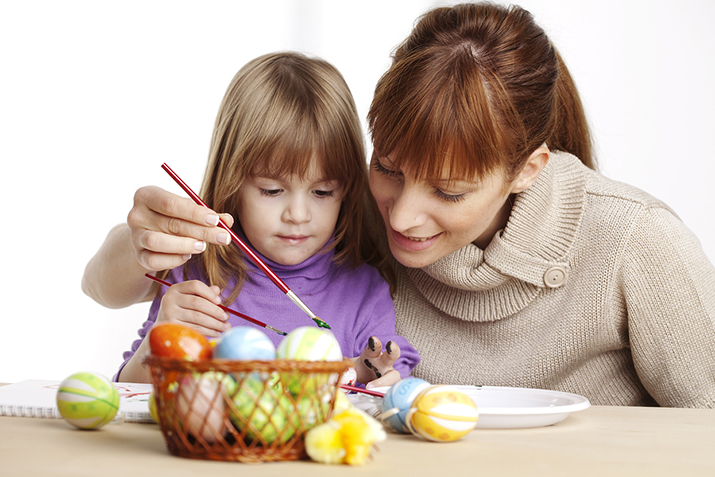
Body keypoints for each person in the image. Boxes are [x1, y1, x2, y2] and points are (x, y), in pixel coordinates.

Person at [365, 3, 714, 407]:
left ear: (527, 170)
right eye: (387, 168)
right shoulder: (343, 221)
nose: (402, 218)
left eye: (448, 191)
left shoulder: (636, 239)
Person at [83, 52, 419, 386]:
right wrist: (159, 343)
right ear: (232, 182)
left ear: (346, 189)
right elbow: (130, 389)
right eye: (272, 190)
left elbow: (374, 378)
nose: (298, 216)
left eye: (323, 192)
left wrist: (365, 371)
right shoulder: (197, 275)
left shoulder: (363, 291)